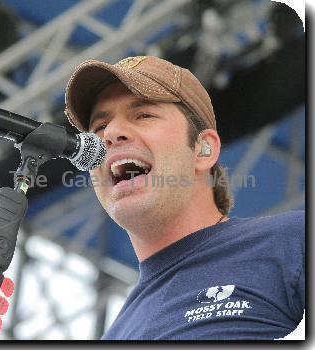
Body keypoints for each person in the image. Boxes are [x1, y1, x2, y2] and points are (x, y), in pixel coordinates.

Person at [64, 56, 305, 340]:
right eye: (99, 128)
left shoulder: (296, 241)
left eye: (143, 115)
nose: (111, 134)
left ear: (204, 149)